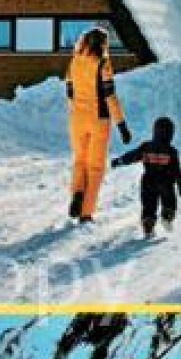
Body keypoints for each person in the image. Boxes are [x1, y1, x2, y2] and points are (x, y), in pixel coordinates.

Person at [65, 27, 131, 224]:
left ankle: (77, 192)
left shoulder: (74, 62)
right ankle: (86, 213)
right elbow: (110, 96)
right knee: (95, 167)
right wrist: (122, 125)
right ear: (102, 44)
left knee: (79, 161)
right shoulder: (103, 64)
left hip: (76, 118)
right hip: (98, 119)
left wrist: (77, 110)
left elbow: (69, 92)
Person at [112, 116, 181, 238]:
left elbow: (133, 156)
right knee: (169, 202)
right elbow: (177, 171)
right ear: (170, 134)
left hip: (148, 181)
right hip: (166, 182)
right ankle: (167, 217)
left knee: (149, 205)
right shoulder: (171, 151)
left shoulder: (146, 147)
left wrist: (119, 161)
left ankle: (148, 226)